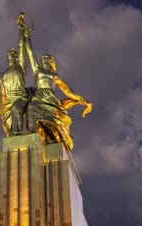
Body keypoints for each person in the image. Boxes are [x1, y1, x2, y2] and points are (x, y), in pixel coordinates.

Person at [23, 21, 92, 150]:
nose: (43, 61)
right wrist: (27, 37)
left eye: (46, 59)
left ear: (50, 63)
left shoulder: (55, 76)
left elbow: (67, 91)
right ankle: (33, 138)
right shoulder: (38, 70)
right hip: (39, 97)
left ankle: (54, 137)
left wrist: (81, 99)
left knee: (54, 120)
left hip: (51, 100)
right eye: (42, 59)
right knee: (31, 106)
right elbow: (30, 54)